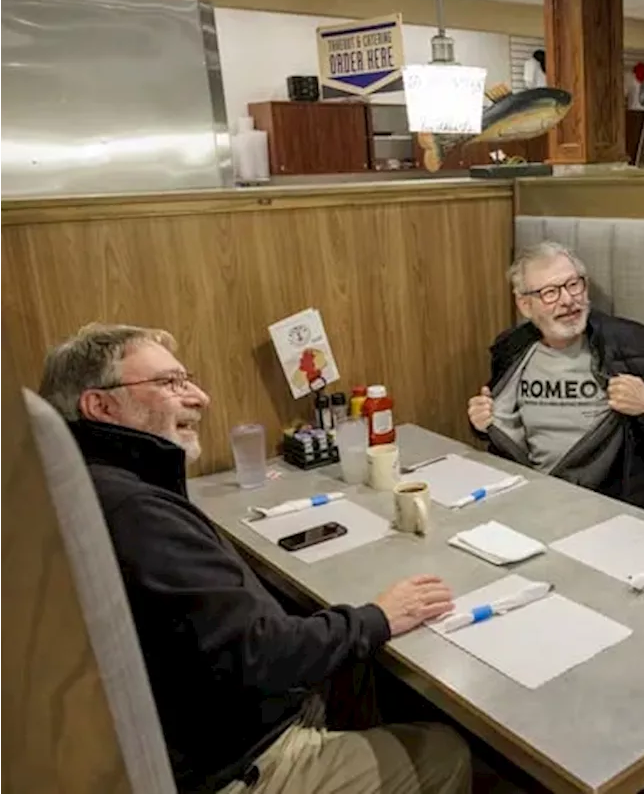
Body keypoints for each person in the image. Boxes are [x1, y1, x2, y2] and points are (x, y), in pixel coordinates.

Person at [38, 323, 472, 794]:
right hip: (233, 758)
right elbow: (262, 653)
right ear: (100, 406)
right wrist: (379, 616)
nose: (200, 397)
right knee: (443, 752)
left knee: (356, 664)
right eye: (170, 383)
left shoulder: (87, 486)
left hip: (207, 718)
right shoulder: (134, 512)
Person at [467, 241, 644, 513]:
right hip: (528, 497)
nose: (567, 300)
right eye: (550, 292)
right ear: (525, 305)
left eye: (573, 284)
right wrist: (481, 423)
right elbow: (502, 432)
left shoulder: (640, 348)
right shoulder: (510, 349)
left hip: (609, 506)